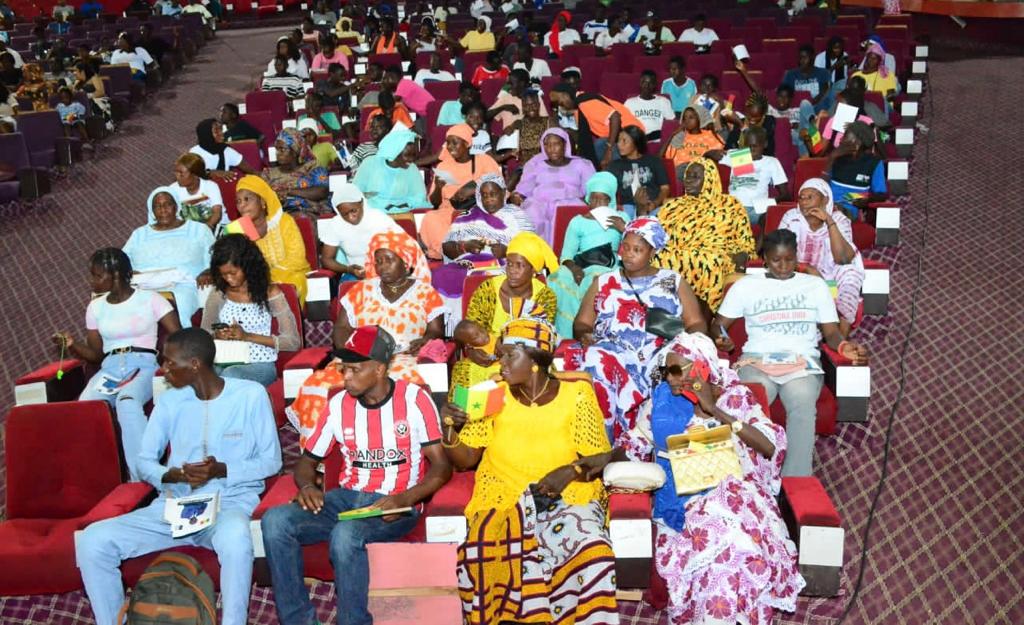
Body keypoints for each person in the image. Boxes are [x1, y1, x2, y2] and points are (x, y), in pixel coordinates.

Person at [77, 328, 281, 625]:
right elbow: (145, 461)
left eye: (171, 362)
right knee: (93, 541)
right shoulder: (170, 402)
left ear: (195, 364)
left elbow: (271, 461)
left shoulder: (250, 395)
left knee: (236, 538)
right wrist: (171, 475)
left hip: (229, 503)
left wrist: (222, 470)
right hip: (174, 506)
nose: (164, 368)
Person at [262, 325, 452, 625]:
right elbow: (306, 461)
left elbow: (442, 466)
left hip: (395, 505)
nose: (345, 377)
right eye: (343, 369)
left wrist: (405, 498)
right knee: (275, 521)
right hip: (347, 499)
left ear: (378, 369)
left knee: (345, 535)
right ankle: (298, 620)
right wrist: (308, 485)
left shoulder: (414, 399)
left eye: (353, 370)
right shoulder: (337, 404)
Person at [615, 332, 805, 623]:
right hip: (682, 505)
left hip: (737, 498)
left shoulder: (736, 396)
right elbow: (633, 444)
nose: (671, 378)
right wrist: (591, 464)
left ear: (703, 366)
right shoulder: (661, 401)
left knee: (737, 544)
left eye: (679, 370)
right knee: (721, 549)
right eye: (667, 371)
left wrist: (715, 410)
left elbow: (769, 445)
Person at [441, 317, 618, 625]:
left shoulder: (576, 394)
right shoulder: (493, 393)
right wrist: (448, 430)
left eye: (510, 354)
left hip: (566, 495)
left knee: (595, 550)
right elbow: (465, 459)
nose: (501, 361)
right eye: (501, 353)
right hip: (504, 495)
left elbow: (601, 455)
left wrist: (571, 471)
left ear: (535, 361)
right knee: (481, 551)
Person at [713, 228, 869, 476]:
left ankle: (795, 480)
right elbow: (718, 323)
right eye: (776, 260)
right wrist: (722, 338)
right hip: (756, 360)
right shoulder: (746, 286)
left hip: (802, 362)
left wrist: (842, 346)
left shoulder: (815, 286)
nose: (784, 266)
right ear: (765, 258)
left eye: (789, 259)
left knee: (802, 399)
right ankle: (750, 475)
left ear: (796, 257)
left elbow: (831, 331)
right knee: (754, 398)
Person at [567, 218, 706, 437]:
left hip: (660, 357)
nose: (628, 254)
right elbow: (582, 322)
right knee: (596, 357)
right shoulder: (603, 281)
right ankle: (601, 437)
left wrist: (682, 347)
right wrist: (585, 334)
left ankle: (637, 439)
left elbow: (696, 323)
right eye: (625, 248)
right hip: (614, 352)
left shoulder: (672, 281)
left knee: (677, 366)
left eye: (638, 249)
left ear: (652, 252)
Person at [53, 248, 180, 480]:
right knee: (85, 406)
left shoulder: (151, 299)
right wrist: (72, 345)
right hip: (109, 367)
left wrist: (165, 360)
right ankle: (96, 480)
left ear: (117, 275)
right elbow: (96, 355)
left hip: (143, 363)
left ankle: (144, 477)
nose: (91, 281)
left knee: (127, 401)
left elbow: (179, 335)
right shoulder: (95, 307)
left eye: (97, 275)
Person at [449, 232, 558, 391]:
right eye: (509, 264)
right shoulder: (488, 289)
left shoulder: (545, 296)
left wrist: (507, 347)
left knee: (539, 374)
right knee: (463, 370)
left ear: (533, 269)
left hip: (527, 357)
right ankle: (462, 416)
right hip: (489, 354)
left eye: (520, 265)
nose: (512, 270)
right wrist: (472, 351)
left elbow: (539, 338)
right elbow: (471, 329)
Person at [655, 158, 755, 312]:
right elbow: (657, 237)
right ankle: (665, 311)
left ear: (709, 179)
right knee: (656, 257)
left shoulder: (730, 205)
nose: (688, 180)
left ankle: (705, 315)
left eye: (695, 177)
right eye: (687, 176)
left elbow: (744, 240)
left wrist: (742, 255)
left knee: (710, 262)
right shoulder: (672, 206)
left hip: (714, 256)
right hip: (676, 254)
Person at [201, 234, 301, 385]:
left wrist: (247, 336)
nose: (228, 278)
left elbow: (292, 342)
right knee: (202, 375)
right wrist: (217, 334)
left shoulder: (270, 293)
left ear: (248, 267)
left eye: (233, 273)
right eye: (223, 274)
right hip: (225, 359)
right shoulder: (218, 293)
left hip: (260, 364)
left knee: (231, 375)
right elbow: (203, 334)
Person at [433, 174, 536, 318]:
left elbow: (532, 250)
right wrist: (464, 246)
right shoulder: (467, 216)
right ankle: (455, 325)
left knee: (489, 277)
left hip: (503, 266)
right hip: (467, 264)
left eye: (493, 194)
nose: (488, 199)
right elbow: (446, 247)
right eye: (484, 195)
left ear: (503, 193)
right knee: (441, 274)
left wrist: (507, 251)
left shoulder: (517, 216)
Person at [548, 172, 628, 339]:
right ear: (588, 200)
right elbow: (566, 256)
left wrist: (624, 228)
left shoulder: (621, 218)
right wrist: (574, 268)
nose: (598, 204)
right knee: (558, 277)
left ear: (610, 201)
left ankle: (587, 332)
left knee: (594, 276)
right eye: (594, 199)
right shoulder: (578, 221)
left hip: (608, 265)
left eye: (603, 199)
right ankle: (565, 335)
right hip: (580, 263)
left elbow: (635, 248)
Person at [781, 178, 865, 337]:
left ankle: (842, 336)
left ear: (825, 199)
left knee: (850, 272)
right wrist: (807, 269)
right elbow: (779, 255)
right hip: (800, 273)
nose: (804, 202)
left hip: (830, 278)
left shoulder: (839, 219)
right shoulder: (791, 218)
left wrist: (828, 221)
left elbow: (844, 259)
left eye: (810, 197)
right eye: (801, 197)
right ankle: (824, 332)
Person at [124, 187, 215, 327]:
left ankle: (180, 345)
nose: (163, 209)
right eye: (157, 206)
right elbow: (121, 260)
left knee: (177, 306)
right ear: (152, 211)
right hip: (144, 286)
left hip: (182, 286)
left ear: (176, 206)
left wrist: (208, 270)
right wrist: (128, 271)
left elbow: (217, 256)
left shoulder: (198, 229)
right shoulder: (139, 234)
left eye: (167, 204)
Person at [422, 124, 501, 260]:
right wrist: (439, 187)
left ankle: (470, 250)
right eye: (448, 143)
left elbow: (498, 187)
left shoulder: (484, 160)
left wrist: (474, 188)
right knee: (431, 218)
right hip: (449, 212)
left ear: (467, 143)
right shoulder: (443, 166)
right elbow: (435, 203)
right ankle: (454, 252)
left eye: (455, 142)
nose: (450, 146)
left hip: (478, 210)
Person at [234, 175, 311, 304]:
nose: (242, 205)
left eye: (247, 199)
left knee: (295, 282)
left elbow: (297, 257)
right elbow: (233, 264)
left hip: (290, 274)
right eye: (238, 201)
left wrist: (270, 276)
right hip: (255, 281)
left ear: (263, 202)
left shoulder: (283, 221)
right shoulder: (238, 230)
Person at [511, 127, 594, 245]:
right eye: (547, 145)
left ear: (565, 145)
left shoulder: (581, 164)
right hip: (539, 204)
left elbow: (592, 189)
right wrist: (518, 195)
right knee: (531, 212)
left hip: (568, 204)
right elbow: (524, 188)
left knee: (568, 212)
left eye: (556, 144)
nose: (551, 149)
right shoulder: (536, 164)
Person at [318, 182, 402, 278]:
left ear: (361, 202)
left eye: (353, 211)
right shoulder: (336, 224)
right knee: (349, 288)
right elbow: (326, 259)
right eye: (344, 214)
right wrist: (348, 269)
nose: (351, 217)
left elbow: (402, 247)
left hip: (386, 270)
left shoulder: (379, 219)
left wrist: (378, 271)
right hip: (355, 273)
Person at [549, 83, 642, 169]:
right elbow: (581, 137)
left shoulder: (586, 103)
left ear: (566, 95)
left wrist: (609, 149)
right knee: (596, 148)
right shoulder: (579, 108)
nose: (559, 106)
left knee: (600, 146)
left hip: (632, 133)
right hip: (617, 136)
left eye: (559, 102)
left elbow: (615, 117)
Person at [712, 126, 789, 224]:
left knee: (767, 217)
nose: (751, 150)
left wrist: (768, 203)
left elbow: (785, 195)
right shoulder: (739, 156)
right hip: (733, 206)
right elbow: (708, 156)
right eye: (748, 146)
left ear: (764, 144)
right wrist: (715, 152)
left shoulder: (771, 162)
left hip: (757, 208)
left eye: (755, 146)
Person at [353, 125, 431, 213]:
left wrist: (398, 206)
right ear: (394, 152)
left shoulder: (411, 168)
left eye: (413, 155)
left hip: (404, 211)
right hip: (373, 212)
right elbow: (356, 191)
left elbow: (419, 196)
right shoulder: (370, 163)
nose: (411, 160)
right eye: (407, 155)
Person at [605, 125, 670, 220]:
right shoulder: (615, 166)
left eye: (624, 141)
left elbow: (665, 188)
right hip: (628, 206)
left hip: (651, 205)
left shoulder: (654, 161)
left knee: (660, 216)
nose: (619, 144)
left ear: (636, 142)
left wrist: (655, 203)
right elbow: (607, 190)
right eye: (618, 140)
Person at [826, 120, 886, 219]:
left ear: (856, 143)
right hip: (827, 205)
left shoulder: (873, 163)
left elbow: (881, 195)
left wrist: (867, 200)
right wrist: (831, 158)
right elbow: (820, 186)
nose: (840, 139)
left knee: (838, 213)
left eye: (845, 136)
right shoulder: (836, 157)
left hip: (848, 210)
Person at [263, 128, 330, 215]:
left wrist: (288, 191)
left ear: (295, 151)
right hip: (280, 217)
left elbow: (322, 191)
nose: (278, 153)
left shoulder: (312, 167)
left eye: (282, 149)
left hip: (309, 213)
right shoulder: (269, 173)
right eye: (277, 149)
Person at [170, 152, 226, 229]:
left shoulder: (210, 186)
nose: (177, 176)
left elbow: (217, 213)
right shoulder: (173, 190)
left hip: (216, 226)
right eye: (176, 172)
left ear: (195, 175)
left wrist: (205, 229)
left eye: (181, 174)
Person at [190, 118, 257, 179]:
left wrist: (263, 174)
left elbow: (252, 171)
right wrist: (211, 173)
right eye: (216, 131)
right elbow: (190, 174)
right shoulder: (194, 152)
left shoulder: (226, 151)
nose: (221, 133)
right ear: (206, 134)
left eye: (221, 129)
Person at [661, 105, 723, 170]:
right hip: (682, 170)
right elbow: (660, 158)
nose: (687, 121)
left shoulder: (710, 136)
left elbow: (719, 157)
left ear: (700, 118)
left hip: (703, 170)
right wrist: (672, 135)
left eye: (691, 117)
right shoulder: (679, 137)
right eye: (685, 118)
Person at [625, 70, 677, 141]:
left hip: (657, 140)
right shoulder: (630, 103)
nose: (647, 86)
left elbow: (672, 123)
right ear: (640, 83)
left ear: (655, 84)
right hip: (637, 141)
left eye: (650, 83)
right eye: (644, 82)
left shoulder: (663, 101)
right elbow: (624, 125)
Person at [782, 45, 833, 113]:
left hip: (818, 110)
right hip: (797, 110)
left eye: (804, 58)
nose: (801, 61)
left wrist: (813, 102)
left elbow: (826, 92)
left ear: (812, 58)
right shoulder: (790, 75)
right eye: (800, 58)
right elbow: (785, 94)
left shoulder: (823, 73)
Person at [851, 41, 898, 106]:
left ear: (880, 61)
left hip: (882, 106)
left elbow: (891, 95)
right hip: (861, 105)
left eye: (874, 58)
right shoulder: (856, 75)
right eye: (869, 57)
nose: (871, 60)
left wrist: (877, 99)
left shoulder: (887, 75)